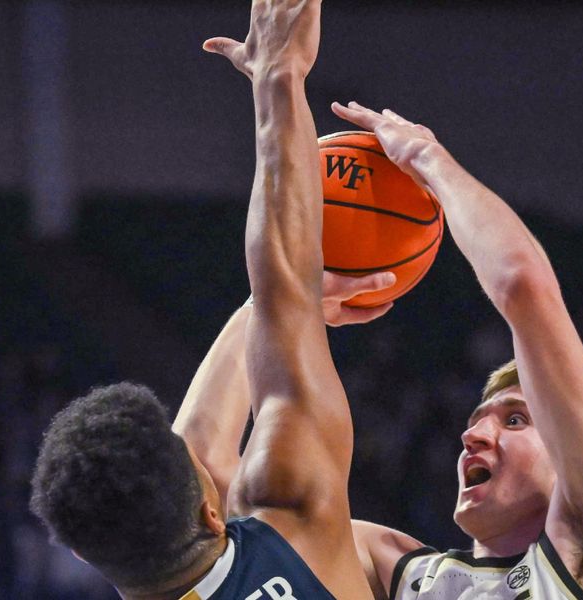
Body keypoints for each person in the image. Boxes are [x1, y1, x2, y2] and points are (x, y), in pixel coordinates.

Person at [186, 101, 583, 599]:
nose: (472, 433)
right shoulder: (398, 571)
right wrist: (267, 302)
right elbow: (206, 490)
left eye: (514, 420)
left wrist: (427, 158)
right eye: (480, 417)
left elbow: (523, 286)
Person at [29, 1, 382, 598]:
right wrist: (280, 75)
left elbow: (199, 449)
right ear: (212, 514)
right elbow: (284, 286)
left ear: (84, 555)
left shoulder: (259, 521)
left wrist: (263, 310)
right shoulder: (293, 513)